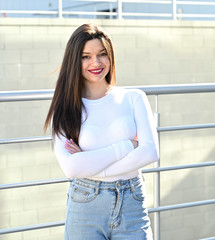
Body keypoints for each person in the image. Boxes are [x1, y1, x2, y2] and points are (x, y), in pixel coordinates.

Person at [44, 23, 159, 240]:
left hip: (131, 203)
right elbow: (71, 167)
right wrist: (127, 146)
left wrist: (91, 164)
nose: (95, 63)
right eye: (86, 56)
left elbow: (150, 152)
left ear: (110, 56)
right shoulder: (66, 107)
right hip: (86, 206)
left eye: (102, 54)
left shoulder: (133, 97)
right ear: (74, 60)